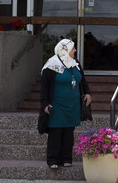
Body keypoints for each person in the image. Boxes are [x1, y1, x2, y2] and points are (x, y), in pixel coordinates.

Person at [40, 38, 92, 169]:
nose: (75, 50)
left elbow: (82, 79)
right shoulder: (51, 65)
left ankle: (66, 158)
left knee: (69, 132)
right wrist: (45, 103)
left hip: (73, 105)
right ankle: (53, 160)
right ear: (65, 49)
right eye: (73, 48)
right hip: (57, 105)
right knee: (56, 132)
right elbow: (45, 87)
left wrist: (87, 92)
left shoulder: (75, 63)